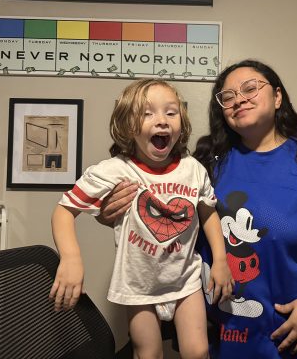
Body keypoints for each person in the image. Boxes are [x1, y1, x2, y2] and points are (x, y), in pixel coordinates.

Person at [99, 60, 297, 358]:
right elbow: (161, 223)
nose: (239, 99)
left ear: (278, 97)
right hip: (217, 337)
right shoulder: (203, 167)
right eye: (228, 96)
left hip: (287, 336)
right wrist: (111, 213)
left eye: (250, 88)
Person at [49, 79, 234, 359]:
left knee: (198, 352)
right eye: (147, 113)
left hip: (185, 280)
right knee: (148, 353)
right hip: (138, 285)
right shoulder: (114, 170)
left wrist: (220, 260)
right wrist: (71, 258)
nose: (161, 120)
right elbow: (64, 211)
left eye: (171, 113)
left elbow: (208, 212)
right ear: (128, 125)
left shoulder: (193, 169)